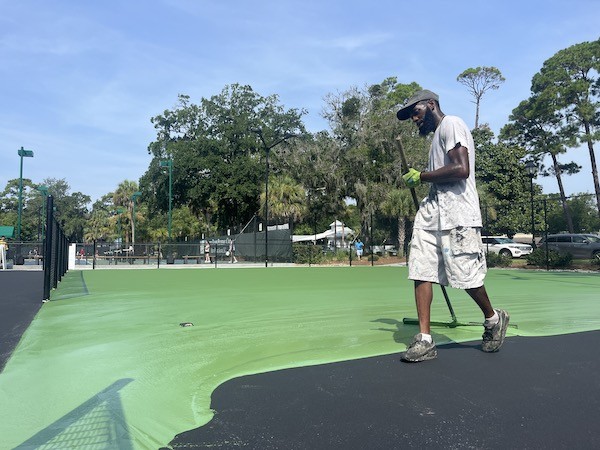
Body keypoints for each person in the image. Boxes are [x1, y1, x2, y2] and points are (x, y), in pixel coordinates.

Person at [396, 89, 509, 362]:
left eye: (416, 112)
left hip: (458, 216)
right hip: (433, 213)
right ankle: (425, 340)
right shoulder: (437, 137)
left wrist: (421, 176)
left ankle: (493, 319)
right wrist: (424, 181)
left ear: (431, 105)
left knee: (466, 275)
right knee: (420, 268)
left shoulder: (452, 124)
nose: (414, 120)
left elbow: (461, 169)